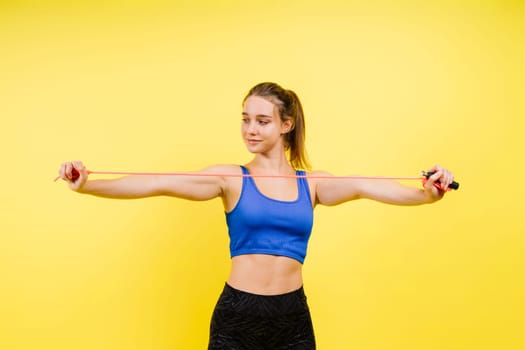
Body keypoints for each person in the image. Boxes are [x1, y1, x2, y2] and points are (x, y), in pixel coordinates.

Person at [58, 82, 455, 349]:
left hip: (292, 316)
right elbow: (156, 182)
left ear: (286, 124)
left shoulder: (312, 184)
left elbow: (371, 187)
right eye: (245, 119)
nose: (250, 129)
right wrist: (88, 183)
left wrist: (427, 195)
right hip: (238, 315)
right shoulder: (232, 179)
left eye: (262, 121)